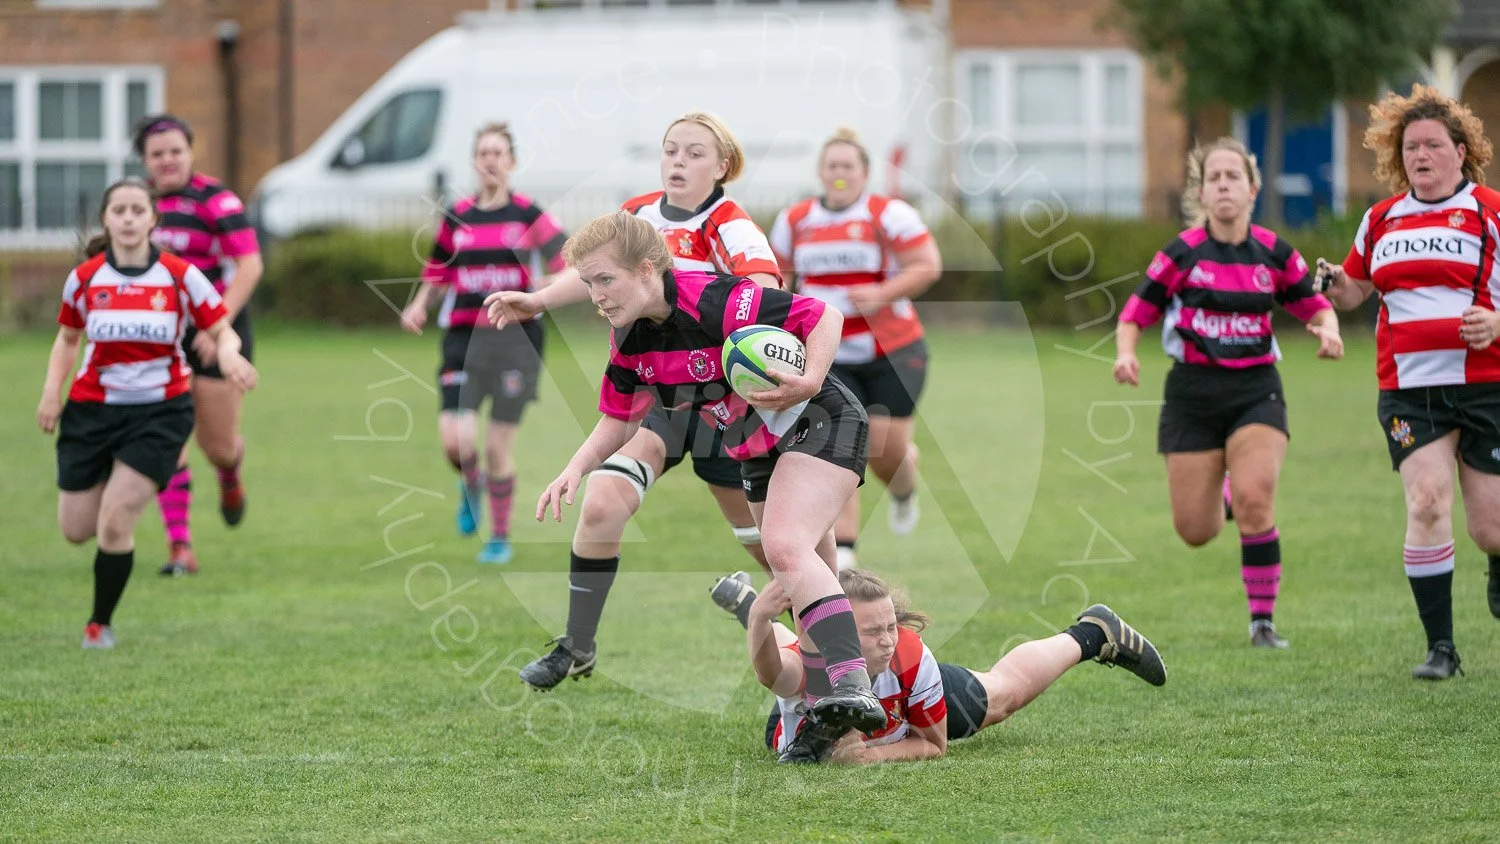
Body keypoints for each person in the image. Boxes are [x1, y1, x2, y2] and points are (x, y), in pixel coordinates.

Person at [519, 209, 887, 758]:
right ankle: (822, 717)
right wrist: (575, 468)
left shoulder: (714, 298)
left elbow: (823, 315)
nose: (594, 295)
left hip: (821, 420)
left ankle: (855, 684)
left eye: (604, 279)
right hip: (756, 450)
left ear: (646, 269)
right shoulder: (630, 340)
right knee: (811, 573)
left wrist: (807, 379)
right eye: (588, 283)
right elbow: (619, 417)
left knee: (785, 549)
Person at [486, 112, 783, 689]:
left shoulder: (730, 224)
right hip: (656, 397)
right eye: (671, 150)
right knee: (602, 504)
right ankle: (577, 645)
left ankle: (834, 643)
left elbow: (765, 292)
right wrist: (540, 300)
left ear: (722, 166)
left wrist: (732, 334)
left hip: (724, 407)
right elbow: (597, 272)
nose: (678, 161)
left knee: (773, 552)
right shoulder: (639, 215)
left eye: (695, 153)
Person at [1113, 137, 1342, 649]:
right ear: (1202, 190)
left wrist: (1328, 329)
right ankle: (1225, 497)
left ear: (1252, 188)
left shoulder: (1275, 252)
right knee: (1195, 531)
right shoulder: (1181, 252)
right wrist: (1126, 354)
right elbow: (1134, 314)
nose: (1222, 185)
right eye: (1213, 177)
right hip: (1192, 394)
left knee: (1257, 498)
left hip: (1256, 390)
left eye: (1232, 176)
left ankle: (1262, 623)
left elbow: (1314, 305)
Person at [1316, 84, 1500, 680]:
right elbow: (1354, 288)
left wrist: (1497, 322)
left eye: (1432, 145)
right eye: (1410, 146)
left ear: (1461, 150)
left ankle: (1496, 559)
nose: (1420, 155)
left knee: (1490, 526)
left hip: (1486, 387)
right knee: (1425, 502)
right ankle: (1441, 648)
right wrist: (1330, 285)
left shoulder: (1490, 211)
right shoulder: (1381, 219)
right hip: (1409, 392)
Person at [35, 178, 256, 648]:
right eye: (121, 210)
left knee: (116, 520)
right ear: (107, 219)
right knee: (76, 530)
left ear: (154, 220)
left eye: (139, 210)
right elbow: (67, 340)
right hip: (92, 411)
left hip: (160, 412)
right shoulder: (85, 278)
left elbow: (222, 330)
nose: (130, 218)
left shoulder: (180, 275)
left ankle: (99, 624)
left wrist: (231, 354)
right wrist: (52, 393)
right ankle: (113, 485)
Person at [709, 568, 1164, 764]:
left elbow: (934, 746)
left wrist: (872, 756)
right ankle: (752, 607)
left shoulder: (907, 655)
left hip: (907, 707)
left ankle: (1091, 634)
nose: (888, 639)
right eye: (872, 632)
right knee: (788, 674)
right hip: (820, 689)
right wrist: (762, 620)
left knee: (1000, 695)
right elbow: (773, 675)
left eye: (891, 625)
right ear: (840, 637)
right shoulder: (812, 662)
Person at [770, 127, 942, 570]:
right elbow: (778, 280)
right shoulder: (795, 221)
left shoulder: (889, 214)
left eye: (848, 166)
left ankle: (904, 490)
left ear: (864, 172)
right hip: (830, 355)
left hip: (894, 348)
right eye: (832, 166)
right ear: (821, 172)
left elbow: (928, 265)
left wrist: (885, 292)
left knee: (887, 449)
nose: (840, 173)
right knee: (844, 443)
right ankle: (844, 552)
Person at [401, 122, 568, 563]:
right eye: (483, 153)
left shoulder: (529, 215)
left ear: (511, 162)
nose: (491, 160)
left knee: (497, 447)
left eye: (498, 153)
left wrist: (545, 285)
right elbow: (437, 271)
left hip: (517, 342)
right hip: (463, 338)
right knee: (457, 443)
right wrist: (419, 306)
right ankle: (469, 481)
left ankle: (498, 538)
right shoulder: (457, 216)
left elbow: (569, 264)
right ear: (475, 162)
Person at [134, 114, 264, 576]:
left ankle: (231, 473)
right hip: (160, 334)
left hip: (218, 327)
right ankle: (180, 548)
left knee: (218, 445)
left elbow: (249, 266)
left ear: (190, 152)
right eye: (157, 154)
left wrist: (216, 326)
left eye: (176, 151)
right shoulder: (139, 205)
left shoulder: (217, 200)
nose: (168, 160)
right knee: (169, 439)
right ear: (145, 162)